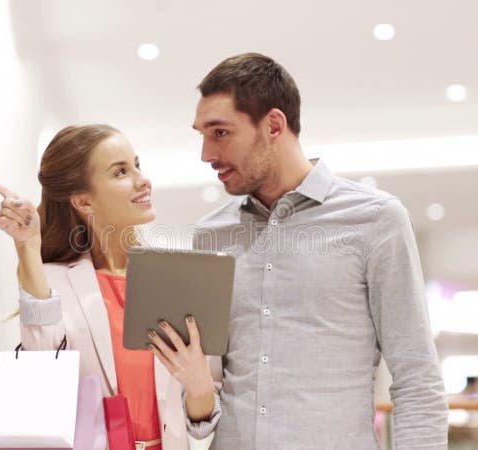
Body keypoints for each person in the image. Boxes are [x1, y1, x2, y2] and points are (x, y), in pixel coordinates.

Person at [160, 53, 449, 449]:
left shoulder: (376, 219)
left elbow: (417, 378)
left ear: (273, 125)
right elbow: (205, 390)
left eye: (220, 133)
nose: (206, 154)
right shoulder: (212, 234)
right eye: (202, 135)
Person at [0, 124, 218, 450]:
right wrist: (28, 246)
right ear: (83, 201)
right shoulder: (54, 281)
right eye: (120, 172)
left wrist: (201, 386)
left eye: (137, 165)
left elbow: (202, 425)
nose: (142, 179)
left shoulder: (176, 280)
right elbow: (41, 364)